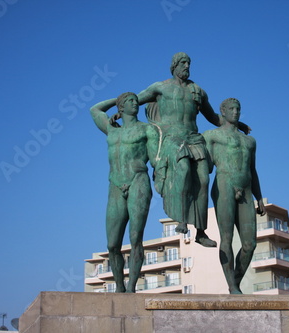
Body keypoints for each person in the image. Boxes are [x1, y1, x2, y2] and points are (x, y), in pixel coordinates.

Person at [135, 52, 250, 247]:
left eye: (189, 63)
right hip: (172, 138)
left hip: (194, 138)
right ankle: (181, 220)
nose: (187, 66)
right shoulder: (160, 88)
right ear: (174, 66)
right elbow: (134, 100)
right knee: (183, 171)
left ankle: (201, 232)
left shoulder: (197, 91)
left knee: (204, 180)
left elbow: (213, 117)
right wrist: (117, 113)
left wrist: (238, 124)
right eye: (183, 63)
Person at [90, 92, 159, 292]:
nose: (135, 103)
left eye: (136, 101)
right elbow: (94, 110)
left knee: (136, 237)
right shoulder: (112, 130)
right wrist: (117, 99)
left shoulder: (147, 129)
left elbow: (155, 160)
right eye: (130, 101)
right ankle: (119, 286)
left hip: (138, 180)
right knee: (112, 244)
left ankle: (132, 288)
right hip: (115, 185)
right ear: (121, 107)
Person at [203, 98, 266, 294]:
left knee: (250, 244)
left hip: (246, 188)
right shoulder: (212, 135)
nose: (235, 112)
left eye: (238, 109)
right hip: (224, 184)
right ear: (222, 111)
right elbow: (205, 167)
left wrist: (259, 197)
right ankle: (232, 285)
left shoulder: (249, 141)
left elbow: (253, 170)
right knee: (227, 238)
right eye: (231, 108)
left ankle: (234, 282)